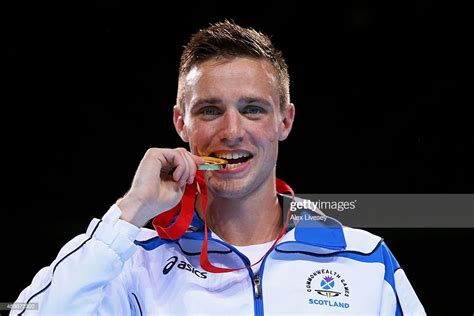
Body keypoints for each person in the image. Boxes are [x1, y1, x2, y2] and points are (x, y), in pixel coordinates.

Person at [12, 20, 425, 315]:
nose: (232, 131)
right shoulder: (136, 263)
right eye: (210, 110)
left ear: (285, 121)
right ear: (181, 123)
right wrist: (131, 210)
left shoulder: (364, 259)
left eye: (253, 110)